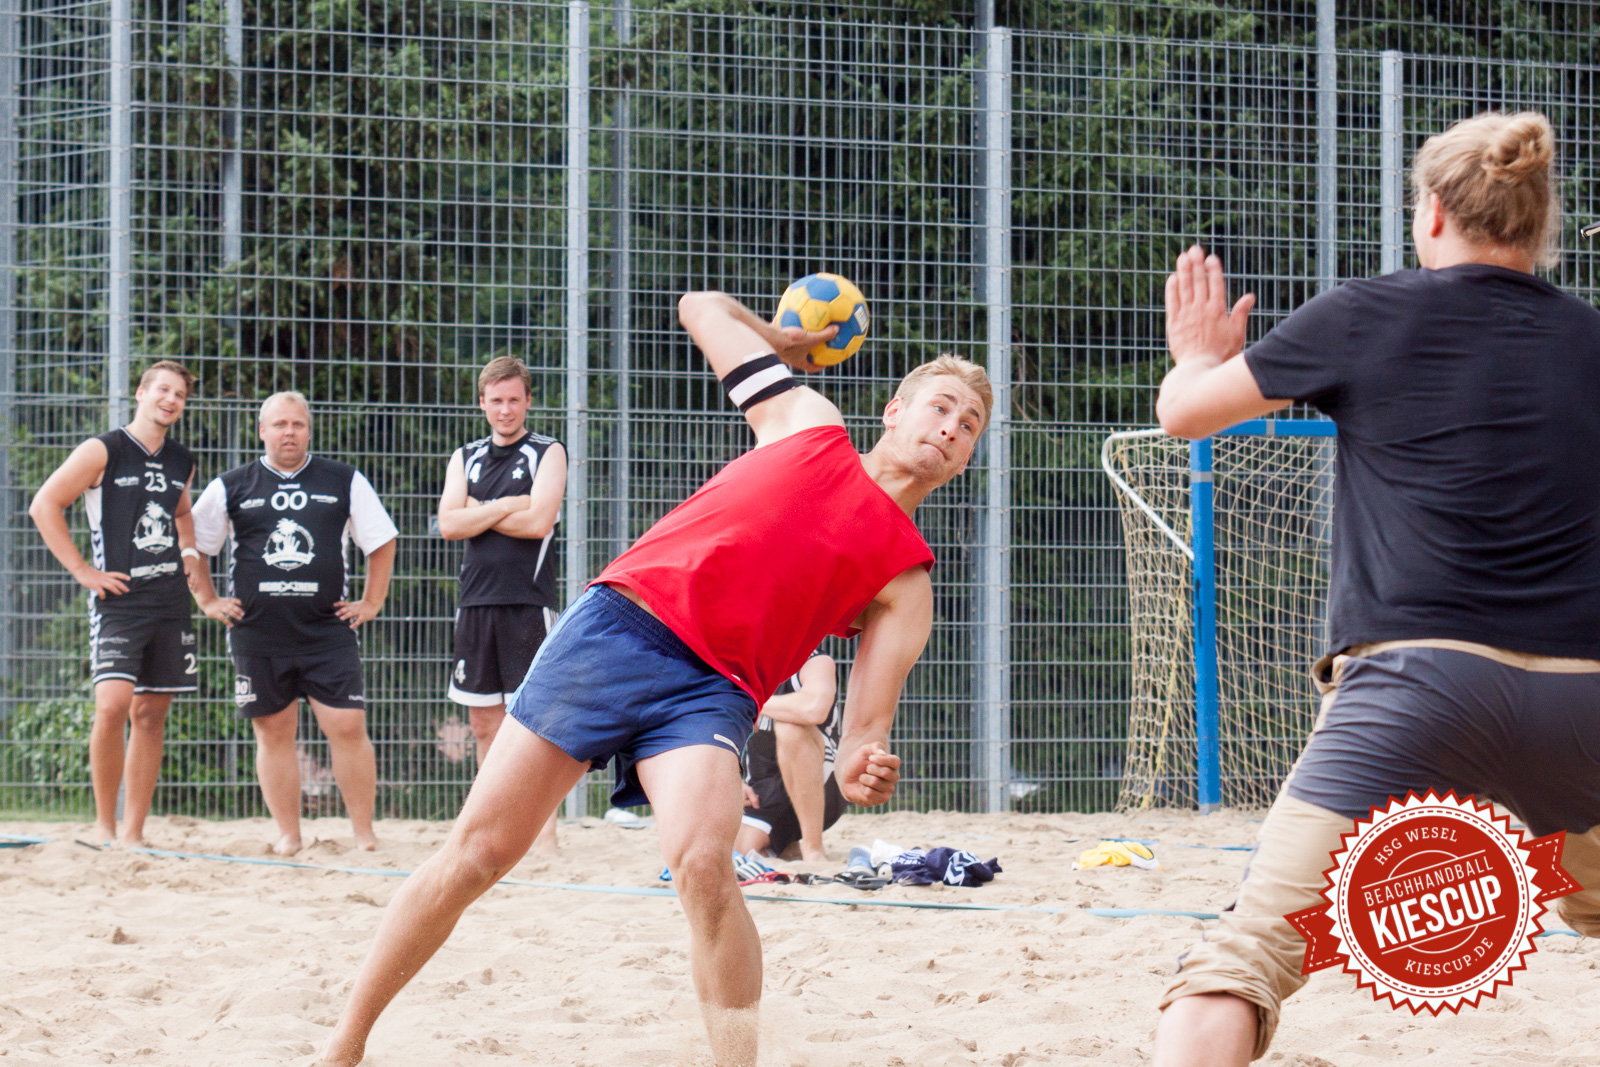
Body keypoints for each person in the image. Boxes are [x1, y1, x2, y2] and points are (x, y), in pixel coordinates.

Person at [318, 292, 992, 1067]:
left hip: (713, 692)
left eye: (968, 425)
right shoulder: (809, 422)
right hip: (616, 631)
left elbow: (863, 735)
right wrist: (784, 340)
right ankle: (343, 1044)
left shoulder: (907, 580)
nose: (950, 428)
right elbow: (700, 306)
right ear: (895, 409)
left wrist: (864, 765)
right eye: (941, 407)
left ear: (967, 455)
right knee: (479, 852)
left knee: (705, 864)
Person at [1150, 111, 1600, 1065]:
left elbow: (1186, 416)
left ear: (1431, 213)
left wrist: (1197, 354)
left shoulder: (1365, 310)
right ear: (1540, 222)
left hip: (1416, 687)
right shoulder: (1590, 339)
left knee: (1244, 957)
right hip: (1584, 701)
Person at [188, 391, 399, 855]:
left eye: (297, 425)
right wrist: (206, 598)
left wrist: (371, 601)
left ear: (309, 430)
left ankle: (364, 834)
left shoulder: (344, 480)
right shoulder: (232, 485)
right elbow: (195, 539)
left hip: (327, 630)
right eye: (279, 424)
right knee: (273, 730)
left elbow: (382, 540)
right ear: (261, 431)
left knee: (345, 725)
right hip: (258, 631)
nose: (289, 432)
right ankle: (289, 835)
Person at [28, 360, 199, 847]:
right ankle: (103, 825)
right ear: (142, 393)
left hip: (168, 601)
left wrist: (188, 554)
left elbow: (183, 513)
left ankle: (134, 833)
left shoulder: (181, 461)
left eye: (179, 395)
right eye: (162, 390)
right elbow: (45, 504)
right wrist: (83, 571)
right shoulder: (102, 449)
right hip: (118, 600)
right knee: (112, 706)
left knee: (150, 714)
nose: (170, 400)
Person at [437, 356, 566, 854]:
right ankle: (494, 828)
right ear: (482, 403)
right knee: (484, 723)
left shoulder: (547, 451)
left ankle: (546, 834)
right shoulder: (464, 456)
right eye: (496, 401)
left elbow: (540, 521)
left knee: (534, 722)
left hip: (527, 603)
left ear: (527, 400)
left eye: (514, 400)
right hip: (475, 604)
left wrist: (480, 511)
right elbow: (448, 525)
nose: (505, 409)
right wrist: (512, 503)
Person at [734, 651, 844, 863]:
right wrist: (732, 777)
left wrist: (750, 703)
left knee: (790, 728)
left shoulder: (815, 661)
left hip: (821, 784)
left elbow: (814, 709)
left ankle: (813, 848)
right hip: (763, 792)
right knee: (741, 851)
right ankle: (786, 846)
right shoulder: (743, 665)